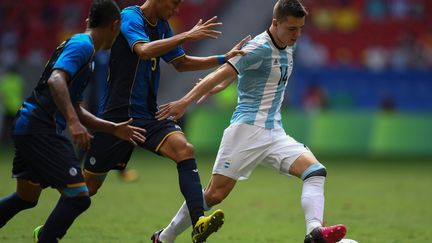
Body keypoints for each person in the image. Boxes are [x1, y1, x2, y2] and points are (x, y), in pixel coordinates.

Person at [154, 0, 347, 242]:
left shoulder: (287, 43)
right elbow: (222, 72)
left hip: (275, 133)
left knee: (315, 171)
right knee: (214, 195)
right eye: (291, 29)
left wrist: (225, 84)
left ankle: (313, 232)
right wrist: (185, 101)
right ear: (275, 23)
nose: (297, 35)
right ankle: (164, 238)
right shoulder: (258, 47)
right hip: (246, 131)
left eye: (300, 28)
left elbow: (245, 74)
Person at [81, 0, 249, 242]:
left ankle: (198, 221)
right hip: (117, 118)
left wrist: (223, 58)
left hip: (149, 115)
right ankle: (47, 231)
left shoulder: (162, 25)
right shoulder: (130, 17)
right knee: (88, 189)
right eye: (174, 3)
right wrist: (186, 35)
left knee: (184, 149)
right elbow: (144, 50)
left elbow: (180, 63)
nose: (177, 10)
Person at [0, 1, 146, 242]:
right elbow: (56, 81)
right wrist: (73, 123)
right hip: (40, 128)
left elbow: (76, 107)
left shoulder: (86, 51)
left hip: (31, 126)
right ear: (115, 25)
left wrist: (112, 128)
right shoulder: (82, 45)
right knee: (78, 196)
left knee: (26, 197)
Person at [0, 66, 24, 146]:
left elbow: (2, 93)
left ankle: (5, 142)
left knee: (6, 126)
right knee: (16, 125)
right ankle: (15, 141)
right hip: (17, 105)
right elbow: (21, 91)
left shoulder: (6, 80)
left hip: (8, 106)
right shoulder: (18, 80)